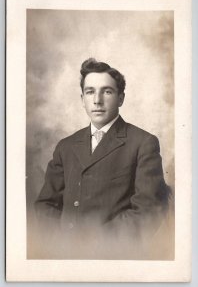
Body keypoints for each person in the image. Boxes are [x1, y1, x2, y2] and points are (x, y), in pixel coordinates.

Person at [34, 58, 170, 259]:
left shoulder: (143, 143)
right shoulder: (66, 145)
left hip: (114, 255)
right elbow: (45, 204)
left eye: (107, 91)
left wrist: (94, 241)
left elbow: (149, 210)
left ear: (121, 98)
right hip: (64, 255)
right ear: (82, 99)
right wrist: (61, 241)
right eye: (90, 92)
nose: (97, 100)